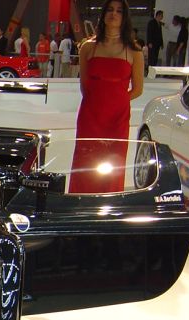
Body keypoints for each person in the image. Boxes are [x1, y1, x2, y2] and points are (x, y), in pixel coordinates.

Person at [69, 0, 143, 194]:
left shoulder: (134, 51)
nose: (114, 14)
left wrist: (117, 101)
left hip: (117, 121)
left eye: (119, 11)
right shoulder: (87, 47)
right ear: (103, 14)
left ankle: (108, 209)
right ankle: (80, 207)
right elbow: (84, 86)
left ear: (124, 17)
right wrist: (97, 103)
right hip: (90, 118)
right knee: (85, 165)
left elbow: (137, 89)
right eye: (110, 9)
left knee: (113, 168)